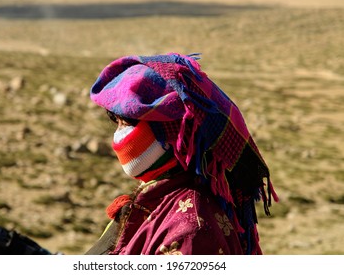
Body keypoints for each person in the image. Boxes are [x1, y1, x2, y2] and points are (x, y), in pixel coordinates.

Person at [85, 52, 278, 255]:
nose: (119, 135)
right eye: (117, 122)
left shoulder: (192, 230)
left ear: (172, 131)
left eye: (129, 122)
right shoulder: (156, 197)